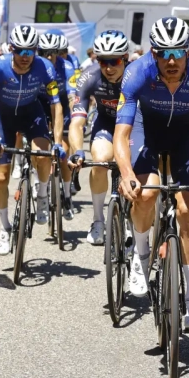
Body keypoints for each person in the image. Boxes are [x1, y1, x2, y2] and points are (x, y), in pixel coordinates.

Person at [114, 16, 189, 332]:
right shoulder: (136, 73)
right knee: (146, 194)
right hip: (147, 131)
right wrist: (126, 173)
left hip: (186, 135)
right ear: (153, 53)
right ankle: (140, 262)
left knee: (186, 212)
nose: (171, 60)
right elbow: (121, 133)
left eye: (178, 52)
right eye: (163, 53)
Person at [0, 26, 65, 255]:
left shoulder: (44, 67)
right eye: (21, 51)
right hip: (4, 118)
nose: (26, 57)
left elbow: (55, 104)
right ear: (12, 49)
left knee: (43, 153)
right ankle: (4, 227)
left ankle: (41, 195)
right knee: (1, 177)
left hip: (32, 113)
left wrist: (57, 140)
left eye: (31, 51)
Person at [68, 30, 128, 244]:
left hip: (133, 126)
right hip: (106, 123)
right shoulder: (89, 76)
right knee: (101, 161)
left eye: (115, 61)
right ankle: (98, 220)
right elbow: (77, 123)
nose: (109, 68)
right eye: (103, 61)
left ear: (126, 58)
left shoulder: (137, 75)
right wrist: (77, 151)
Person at [38, 33, 75, 220]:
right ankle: (38, 179)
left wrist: (76, 113)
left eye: (53, 53)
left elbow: (71, 95)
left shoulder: (67, 67)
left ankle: (67, 195)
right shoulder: (35, 66)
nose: (49, 57)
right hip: (40, 104)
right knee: (38, 149)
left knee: (64, 152)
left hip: (61, 104)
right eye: (44, 53)